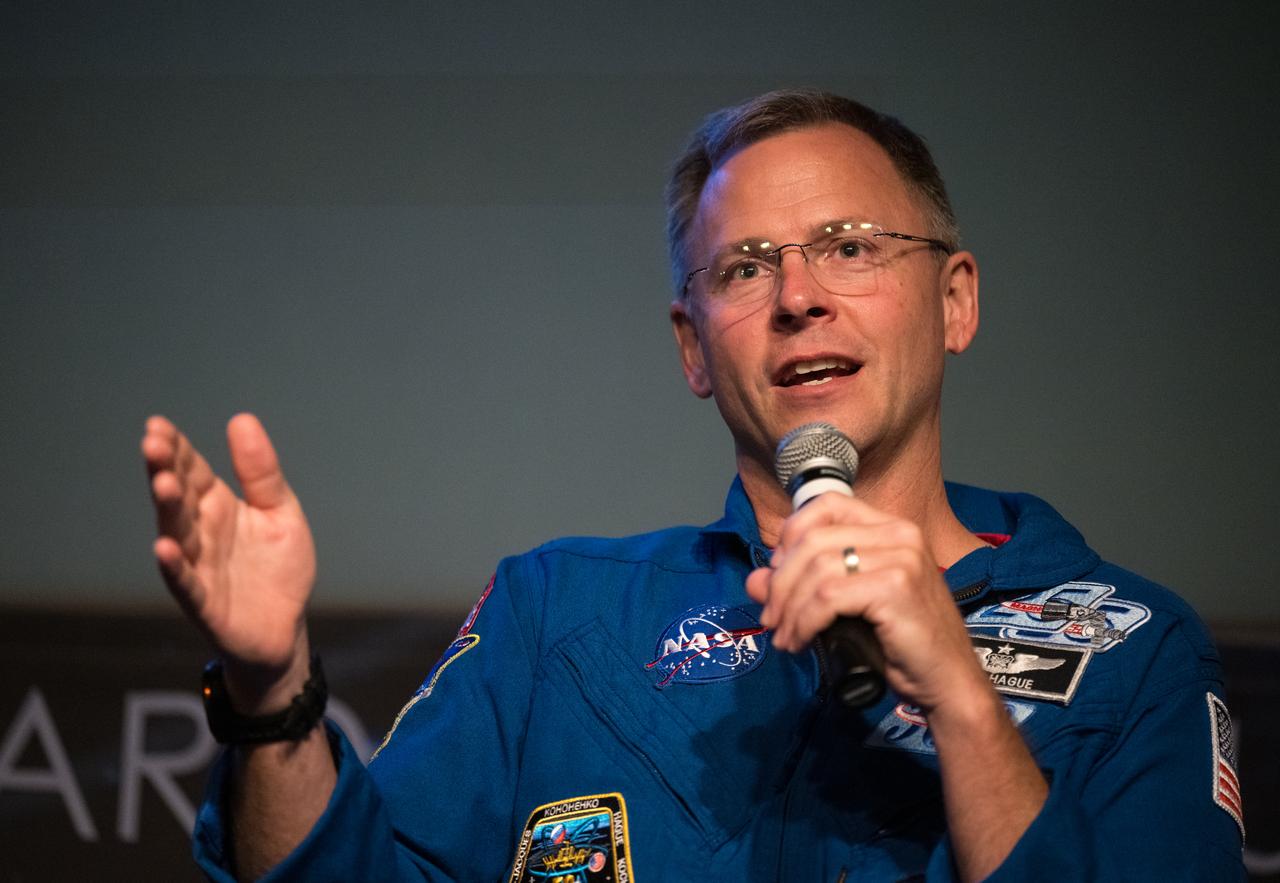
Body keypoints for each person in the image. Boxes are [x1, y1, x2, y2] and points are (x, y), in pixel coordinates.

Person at [142, 90, 1245, 881]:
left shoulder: (1133, 647)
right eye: (745, 267)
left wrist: (961, 701)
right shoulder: (558, 615)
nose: (798, 296)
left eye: (850, 247)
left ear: (953, 300)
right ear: (689, 346)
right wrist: (268, 686)